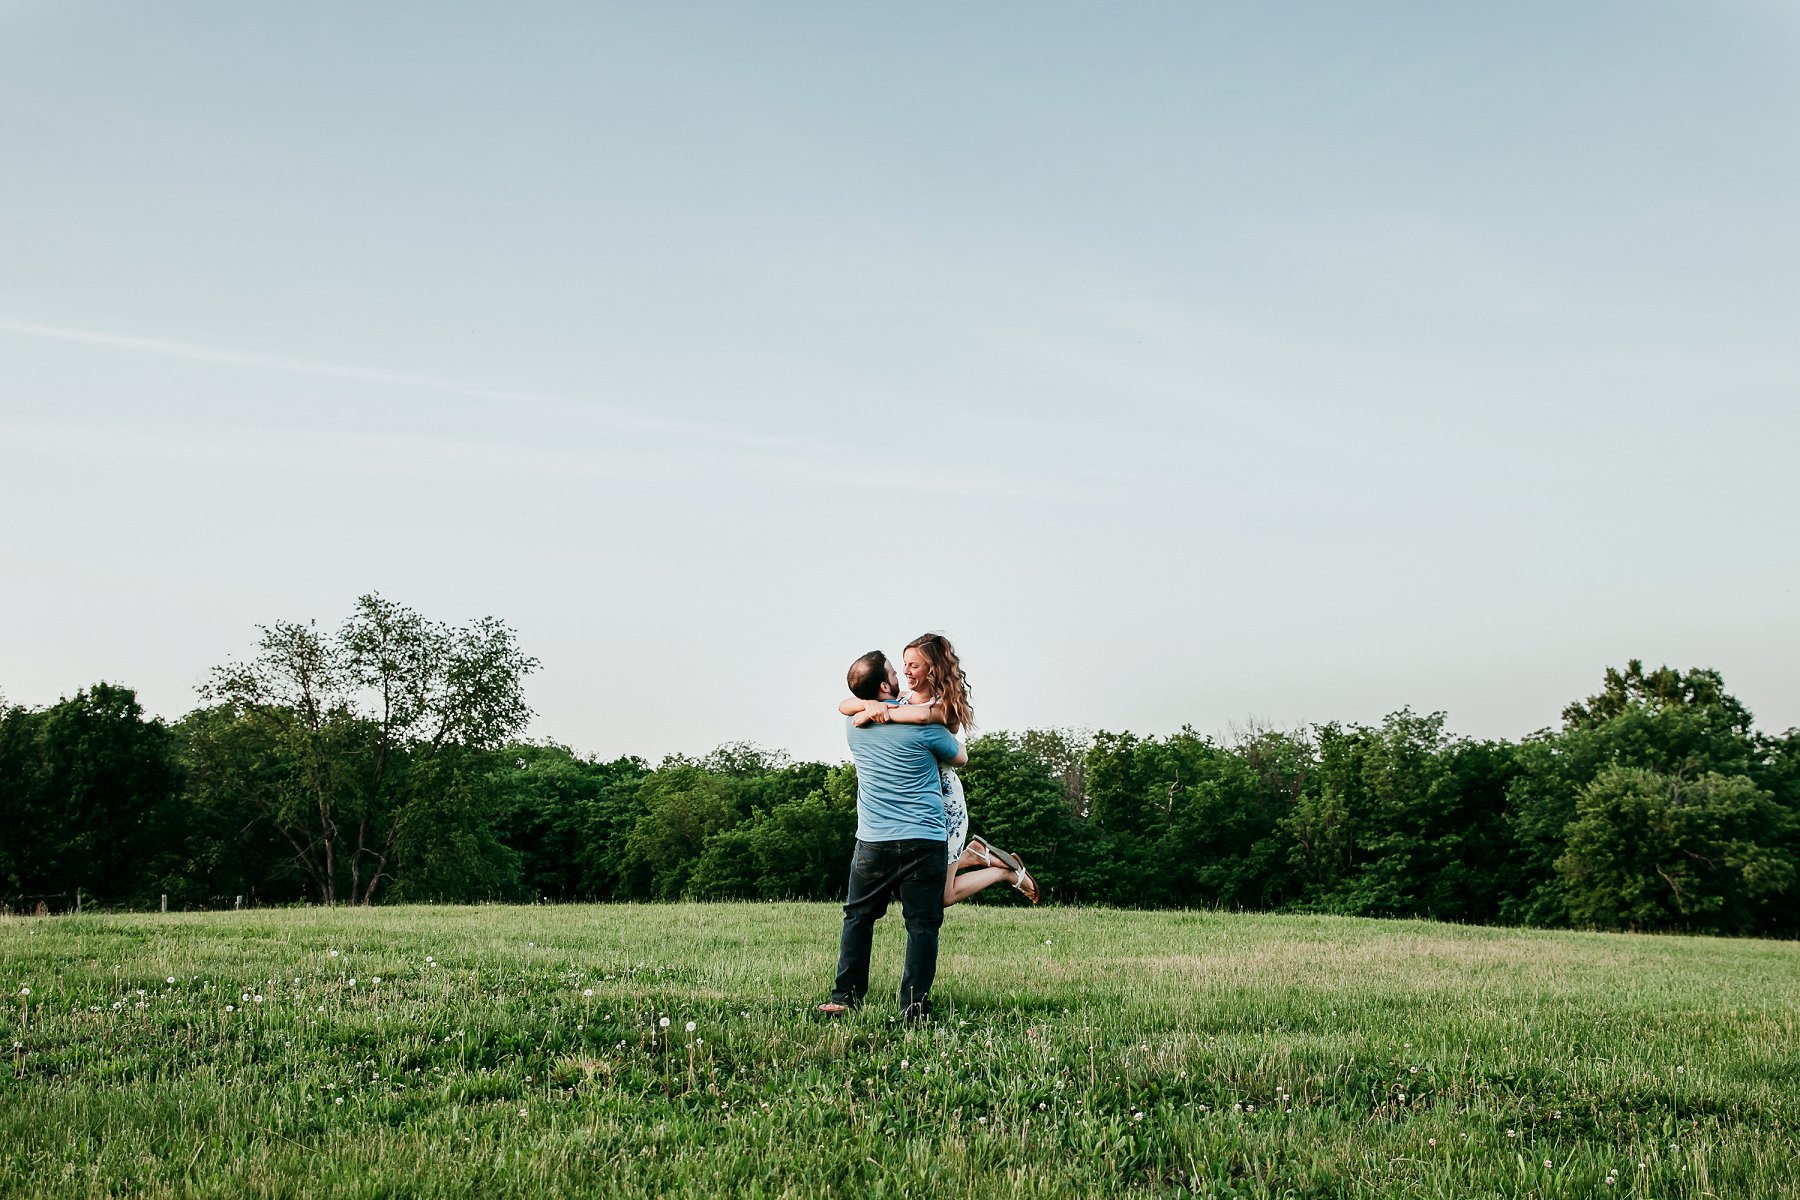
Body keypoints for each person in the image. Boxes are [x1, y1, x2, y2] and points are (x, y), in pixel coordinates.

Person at [818, 649, 965, 1021]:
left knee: (858, 917)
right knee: (922, 925)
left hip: (873, 840)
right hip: (924, 838)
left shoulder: (855, 726)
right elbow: (960, 756)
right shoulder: (925, 728)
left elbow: (847, 706)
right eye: (893, 673)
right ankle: (914, 1008)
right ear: (885, 685)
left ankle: (844, 998)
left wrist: (872, 708)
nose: (900, 674)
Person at [840, 633, 1039, 907]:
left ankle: (1002, 872)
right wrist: (869, 704)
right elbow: (843, 705)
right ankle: (975, 855)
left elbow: (923, 719)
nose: (906, 672)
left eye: (914, 666)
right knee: (914, 886)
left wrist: (876, 711)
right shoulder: (904, 698)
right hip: (917, 805)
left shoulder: (941, 706)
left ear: (931, 670)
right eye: (904, 665)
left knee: (941, 896)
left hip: (942, 804)